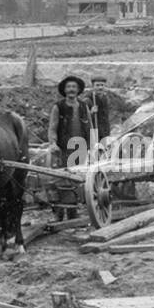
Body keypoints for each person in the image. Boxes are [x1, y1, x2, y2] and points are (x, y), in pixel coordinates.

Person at [48, 75, 90, 219]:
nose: (71, 90)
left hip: (81, 148)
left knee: (77, 180)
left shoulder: (84, 106)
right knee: (62, 179)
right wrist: (53, 143)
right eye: (68, 87)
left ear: (78, 90)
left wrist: (93, 145)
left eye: (74, 87)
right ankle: (59, 213)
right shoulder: (58, 107)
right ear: (64, 90)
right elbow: (53, 127)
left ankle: (73, 212)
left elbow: (89, 126)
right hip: (64, 149)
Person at [85, 76, 111, 143]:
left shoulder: (106, 98)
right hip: (93, 132)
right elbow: (82, 118)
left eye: (102, 85)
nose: (100, 87)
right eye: (97, 85)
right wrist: (91, 113)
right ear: (93, 87)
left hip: (105, 131)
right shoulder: (88, 100)